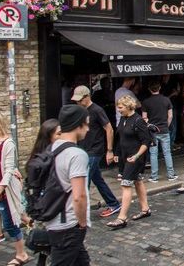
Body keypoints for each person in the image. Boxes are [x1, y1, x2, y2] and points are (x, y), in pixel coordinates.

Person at [45, 105, 91, 266]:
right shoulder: (76, 154)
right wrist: (82, 223)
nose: (88, 128)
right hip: (69, 223)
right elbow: (79, 197)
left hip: (54, 218)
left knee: (82, 262)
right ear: (78, 125)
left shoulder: (51, 148)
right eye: (86, 124)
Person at [72, 85, 121, 217]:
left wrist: (109, 150)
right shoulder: (81, 110)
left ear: (87, 97)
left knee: (84, 181)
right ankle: (114, 204)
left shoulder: (97, 110)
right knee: (97, 179)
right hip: (84, 149)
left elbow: (109, 129)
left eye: (80, 100)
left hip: (95, 150)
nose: (78, 103)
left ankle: (82, 214)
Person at [106, 95, 153, 229]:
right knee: (137, 181)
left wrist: (137, 156)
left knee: (126, 184)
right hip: (125, 157)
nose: (118, 110)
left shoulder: (138, 121)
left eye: (120, 108)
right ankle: (145, 209)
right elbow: (120, 138)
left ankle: (122, 218)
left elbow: (146, 141)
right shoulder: (123, 118)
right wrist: (116, 153)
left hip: (135, 158)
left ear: (128, 106)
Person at [0, 112, 29, 265]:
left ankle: (22, 254)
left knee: (10, 224)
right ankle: (27, 219)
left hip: (5, 191)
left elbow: (7, 171)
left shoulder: (8, 144)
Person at [142, 81, 177, 183]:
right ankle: (171, 175)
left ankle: (154, 176)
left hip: (152, 131)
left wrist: (150, 126)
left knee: (153, 154)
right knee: (167, 153)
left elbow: (144, 118)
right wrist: (166, 125)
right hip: (164, 130)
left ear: (149, 89)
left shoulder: (146, 102)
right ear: (160, 88)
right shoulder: (166, 100)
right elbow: (170, 116)